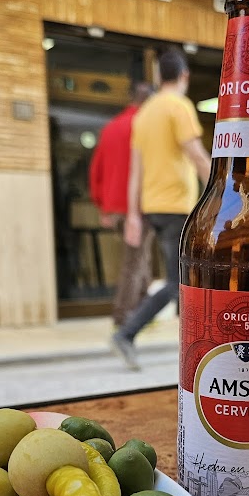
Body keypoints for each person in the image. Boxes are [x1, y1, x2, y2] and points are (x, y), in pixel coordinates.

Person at [113, 49, 211, 369]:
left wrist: (132, 214)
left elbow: (135, 171)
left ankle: (198, 341)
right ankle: (127, 333)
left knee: (183, 279)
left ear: (159, 77)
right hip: (176, 207)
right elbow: (196, 155)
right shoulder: (178, 106)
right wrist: (225, 193)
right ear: (184, 76)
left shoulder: (145, 112)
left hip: (153, 207)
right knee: (179, 282)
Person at [89, 82, 154, 329]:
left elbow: (96, 170)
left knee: (139, 257)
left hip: (114, 207)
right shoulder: (144, 126)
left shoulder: (111, 127)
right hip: (136, 206)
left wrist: (101, 206)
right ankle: (124, 317)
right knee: (134, 262)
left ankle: (144, 308)